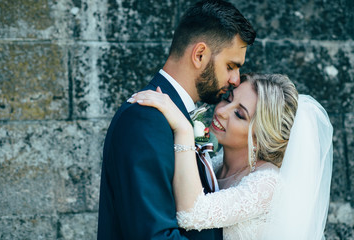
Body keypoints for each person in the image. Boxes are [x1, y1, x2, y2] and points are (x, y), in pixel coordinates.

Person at [97, 0, 256, 239]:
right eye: (231, 65)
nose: (235, 79)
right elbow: (154, 235)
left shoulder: (179, 117)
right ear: (200, 54)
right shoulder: (145, 120)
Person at [128, 73, 333, 240]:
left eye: (240, 115)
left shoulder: (268, 184)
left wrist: (183, 129)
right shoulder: (216, 164)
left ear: (261, 136)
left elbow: (191, 214)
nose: (222, 111)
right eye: (228, 99)